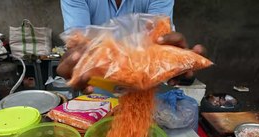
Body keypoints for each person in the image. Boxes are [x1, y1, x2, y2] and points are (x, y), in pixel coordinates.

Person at [57, 0, 206, 94]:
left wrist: (174, 57)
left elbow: (160, 38)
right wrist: (76, 57)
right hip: (96, 90)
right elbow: (78, 43)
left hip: (144, 89)